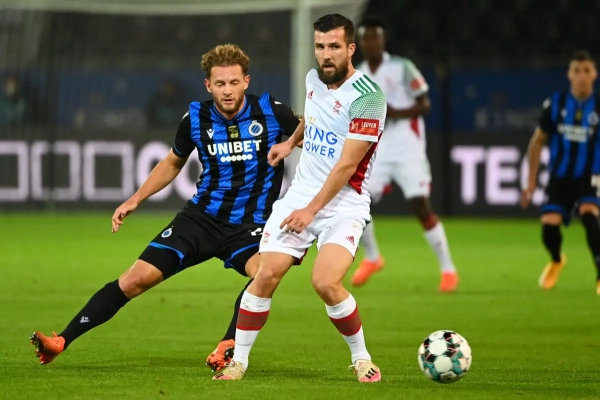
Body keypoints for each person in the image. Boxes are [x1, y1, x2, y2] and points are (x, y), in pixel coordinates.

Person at [29, 44, 302, 369]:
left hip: (250, 225)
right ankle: (61, 341)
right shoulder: (196, 118)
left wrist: (292, 145)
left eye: (233, 82)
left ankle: (228, 344)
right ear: (208, 85)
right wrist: (135, 199)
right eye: (220, 83)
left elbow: (312, 133)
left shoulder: (271, 111)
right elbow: (173, 162)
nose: (227, 90)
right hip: (200, 220)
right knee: (134, 280)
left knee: (265, 275)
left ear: (246, 81)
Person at [213, 14, 385, 383]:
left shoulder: (368, 99)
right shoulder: (313, 79)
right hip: (300, 197)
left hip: (344, 204)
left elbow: (346, 165)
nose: (325, 54)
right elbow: (312, 117)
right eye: (320, 46)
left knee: (325, 283)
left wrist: (311, 211)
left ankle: (362, 359)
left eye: (334, 46)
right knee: (265, 274)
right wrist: (291, 142)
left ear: (350, 49)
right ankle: (238, 362)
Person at [352, 18, 459, 292]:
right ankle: (372, 257)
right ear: (360, 43)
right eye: (365, 38)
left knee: (420, 205)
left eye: (375, 37)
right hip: (377, 147)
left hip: (407, 145)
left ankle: (448, 269)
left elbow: (425, 104)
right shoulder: (358, 73)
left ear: (383, 40)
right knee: (355, 201)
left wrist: (393, 112)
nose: (370, 43)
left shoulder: (402, 67)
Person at [522, 50, 600, 294]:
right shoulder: (556, 104)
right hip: (559, 177)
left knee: (589, 215)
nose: (582, 76)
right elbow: (537, 142)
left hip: (590, 175)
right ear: (569, 74)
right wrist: (530, 182)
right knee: (549, 226)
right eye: (577, 71)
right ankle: (556, 260)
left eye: (586, 70)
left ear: (594, 74)